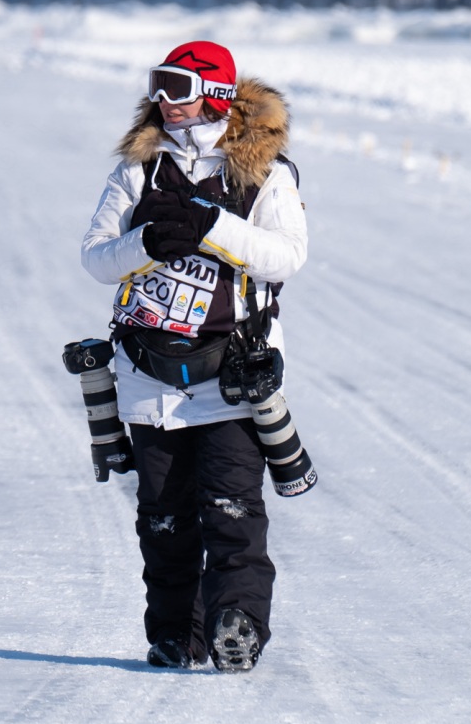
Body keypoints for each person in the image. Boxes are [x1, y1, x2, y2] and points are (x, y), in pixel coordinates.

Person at [80, 40, 308, 672]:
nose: (163, 100)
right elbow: (97, 258)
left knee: (233, 509)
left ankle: (238, 625)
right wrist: (147, 241)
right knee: (163, 520)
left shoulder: (264, 173)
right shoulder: (139, 170)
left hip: (232, 373)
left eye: (176, 87)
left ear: (213, 93)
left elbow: (288, 255)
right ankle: (178, 634)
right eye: (158, 85)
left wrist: (214, 227)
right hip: (148, 375)